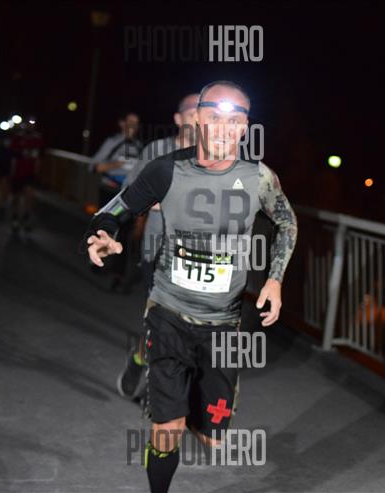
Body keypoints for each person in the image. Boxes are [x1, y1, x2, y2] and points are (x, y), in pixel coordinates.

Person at [85, 81, 298, 493]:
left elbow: (287, 222)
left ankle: (196, 403)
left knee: (212, 439)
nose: (224, 129)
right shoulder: (166, 169)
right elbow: (116, 209)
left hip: (223, 324)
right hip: (168, 312)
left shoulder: (259, 177)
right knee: (168, 427)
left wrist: (275, 279)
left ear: (245, 128)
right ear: (197, 120)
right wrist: (105, 233)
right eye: (214, 117)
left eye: (235, 121)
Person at [116, 93, 199, 401]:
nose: (198, 119)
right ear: (178, 119)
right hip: (159, 250)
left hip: (200, 257)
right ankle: (141, 359)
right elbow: (130, 192)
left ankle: (164, 383)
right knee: (163, 323)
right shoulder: (157, 151)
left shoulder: (217, 157)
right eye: (192, 112)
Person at [90, 112, 143, 290]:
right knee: (105, 230)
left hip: (127, 196)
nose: (133, 126)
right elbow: (94, 166)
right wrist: (116, 165)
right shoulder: (112, 142)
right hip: (109, 191)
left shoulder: (139, 147)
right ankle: (98, 258)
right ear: (122, 123)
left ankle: (118, 275)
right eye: (130, 122)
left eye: (136, 123)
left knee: (125, 234)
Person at [9, 120, 43, 233]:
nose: (30, 126)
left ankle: (26, 218)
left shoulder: (37, 138)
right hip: (17, 173)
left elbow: (38, 158)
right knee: (16, 197)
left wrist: (37, 172)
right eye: (28, 123)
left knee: (29, 195)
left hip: (30, 173)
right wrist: (11, 172)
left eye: (32, 124)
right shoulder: (17, 138)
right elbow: (12, 157)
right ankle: (15, 218)